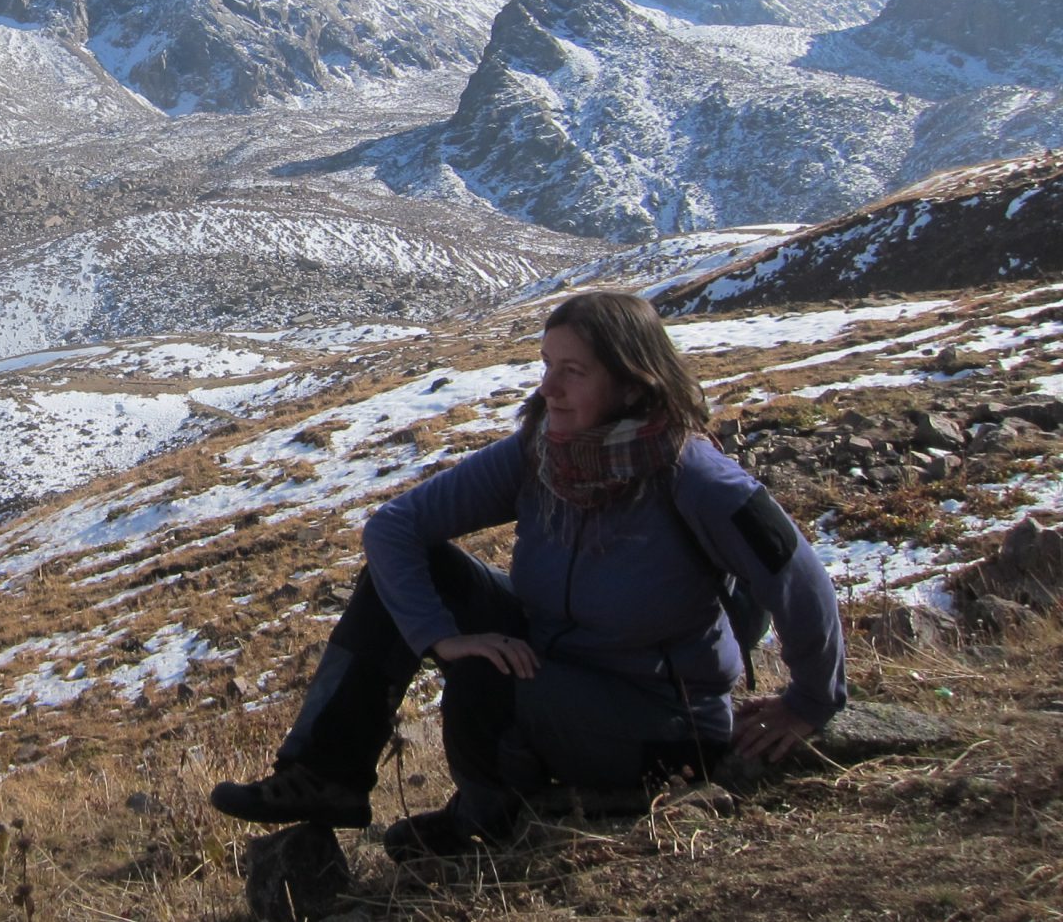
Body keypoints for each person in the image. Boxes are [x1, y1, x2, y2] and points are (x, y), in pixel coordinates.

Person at [209, 290, 846, 859]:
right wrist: (440, 637)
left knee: (490, 673)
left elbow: (797, 576)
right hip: (554, 659)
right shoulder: (542, 453)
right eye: (546, 365)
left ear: (632, 385)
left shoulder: (695, 478)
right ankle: (324, 776)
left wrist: (810, 700)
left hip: (658, 718)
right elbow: (394, 528)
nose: (549, 389)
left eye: (574, 371)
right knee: (414, 577)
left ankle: (485, 822)